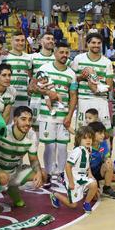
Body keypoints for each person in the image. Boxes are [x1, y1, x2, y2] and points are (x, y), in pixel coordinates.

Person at [29, 42, 77, 186]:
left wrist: (69, 115)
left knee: (62, 146)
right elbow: (32, 87)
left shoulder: (71, 74)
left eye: (66, 53)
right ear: (55, 53)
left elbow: (73, 96)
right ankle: (49, 174)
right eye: (61, 52)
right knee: (49, 146)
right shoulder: (44, 69)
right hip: (46, 114)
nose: (64, 55)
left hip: (64, 116)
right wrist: (48, 92)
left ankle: (61, 174)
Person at [0, 106, 44, 211]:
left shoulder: (32, 135)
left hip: (13, 170)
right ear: (15, 120)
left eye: (30, 120)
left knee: (43, 174)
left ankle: (12, 189)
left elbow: (33, 158)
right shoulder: (3, 132)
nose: (28, 123)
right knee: (3, 177)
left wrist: (38, 173)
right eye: (23, 119)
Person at [71, 33, 114, 131]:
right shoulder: (78, 59)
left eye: (99, 43)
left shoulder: (107, 62)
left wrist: (96, 88)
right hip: (83, 99)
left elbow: (109, 86)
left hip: (101, 100)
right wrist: (82, 77)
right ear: (88, 44)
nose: (96, 45)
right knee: (82, 131)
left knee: (102, 133)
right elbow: (72, 80)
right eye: (93, 42)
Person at [49, 127, 97, 213]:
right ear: (79, 139)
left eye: (90, 138)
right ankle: (55, 195)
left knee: (94, 184)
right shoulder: (77, 151)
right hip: (73, 177)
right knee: (73, 205)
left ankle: (86, 203)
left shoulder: (89, 149)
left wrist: (90, 173)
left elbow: (87, 163)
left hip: (82, 176)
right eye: (85, 138)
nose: (88, 140)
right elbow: (68, 166)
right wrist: (71, 182)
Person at [88, 121, 115, 199]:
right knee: (95, 197)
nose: (103, 135)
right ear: (92, 134)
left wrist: (108, 160)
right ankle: (88, 187)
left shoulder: (103, 144)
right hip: (87, 173)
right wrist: (92, 180)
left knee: (110, 164)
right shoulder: (86, 146)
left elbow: (106, 157)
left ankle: (107, 188)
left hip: (97, 171)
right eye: (100, 133)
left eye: (103, 133)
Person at [1, 32, 32, 110]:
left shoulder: (29, 58)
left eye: (22, 40)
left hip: (24, 100)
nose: (20, 43)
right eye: (17, 40)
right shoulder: (3, 57)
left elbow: (30, 76)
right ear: (11, 41)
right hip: (6, 99)